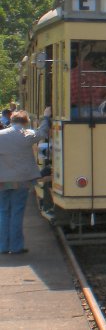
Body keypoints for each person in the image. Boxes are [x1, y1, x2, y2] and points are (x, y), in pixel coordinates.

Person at [0, 107, 51, 255]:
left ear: (11, 120)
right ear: (26, 122)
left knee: (3, 212)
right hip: (21, 180)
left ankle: (2, 246)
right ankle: (16, 247)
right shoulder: (26, 133)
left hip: (2, 180)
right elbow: (42, 132)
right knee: (17, 212)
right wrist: (46, 117)